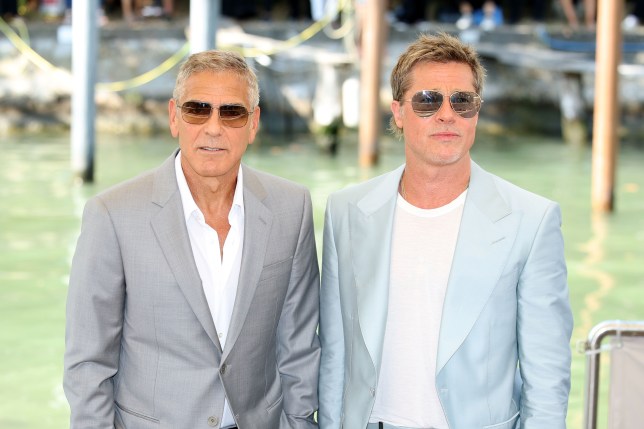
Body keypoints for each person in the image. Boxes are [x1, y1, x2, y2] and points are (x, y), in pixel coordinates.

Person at [318, 32, 573, 429]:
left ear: (476, 112)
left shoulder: (532, 221)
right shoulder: (346, 211)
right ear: (398, 112)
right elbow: (334, 353)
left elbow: (547, 378)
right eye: (427, 100)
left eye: (462, 101)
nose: (446, 114)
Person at [64, 50, 321, 428]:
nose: (213, 127)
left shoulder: (292, 208)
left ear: (253, 124)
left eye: (232, 112)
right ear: (173, 117)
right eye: (197, 110)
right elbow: (89, 363)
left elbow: (298, 347)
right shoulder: (112, 214)